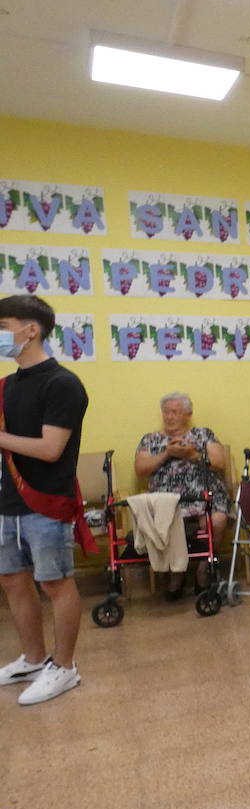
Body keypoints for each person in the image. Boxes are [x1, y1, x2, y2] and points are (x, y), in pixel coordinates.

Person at [0, 296, 92, 705]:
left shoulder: (63, 383)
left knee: (54, 583)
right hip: (6, 500)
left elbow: (50, 448)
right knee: (12, 580)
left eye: (4, 325)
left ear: (30, 330)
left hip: (47, 500)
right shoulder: (5, 386)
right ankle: (35, 659)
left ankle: (65, 666)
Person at [134, 391, 231, 600]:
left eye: (175, 412)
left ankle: (203, 569)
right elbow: (140, 469)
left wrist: (192, 455)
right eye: (166, 412)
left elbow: (220, 463)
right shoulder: (151, 439)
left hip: (204, 496)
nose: (169, 417)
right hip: (167, 501)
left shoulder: (203, 435)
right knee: (165, 518)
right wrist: (166, 454)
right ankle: (176, 574)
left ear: (188, 414)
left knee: (217, 519)